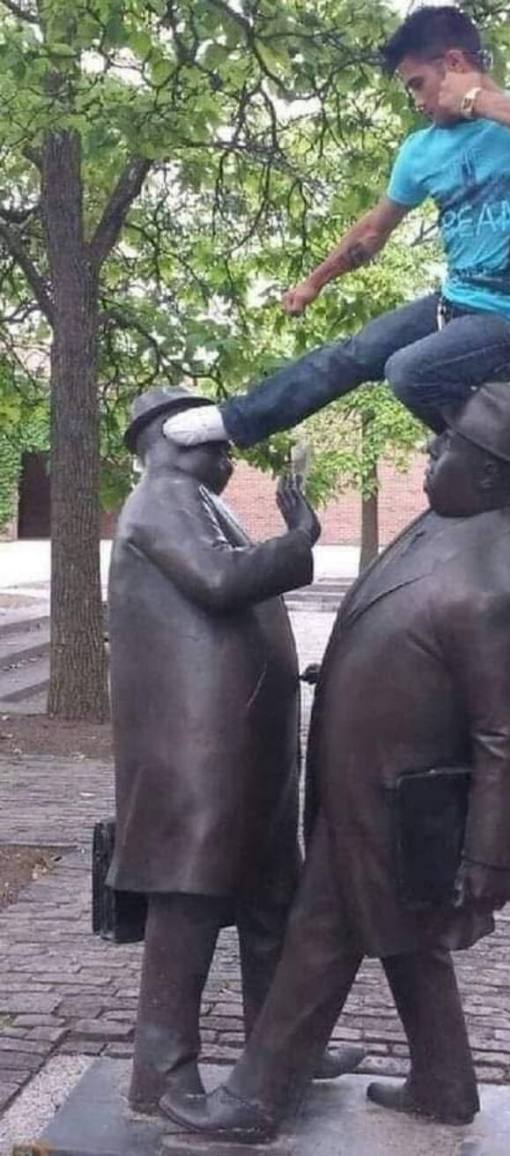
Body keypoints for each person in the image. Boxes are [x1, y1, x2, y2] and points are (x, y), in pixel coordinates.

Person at [159, 382, 510, 1143]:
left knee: (321, 937)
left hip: (394, 803)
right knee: (408, 935)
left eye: (447, 447)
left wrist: (491, 861)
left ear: (495, 476)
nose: (429, 451)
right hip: (364, 788)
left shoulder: (492, 583)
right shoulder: (449, 521)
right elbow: (405, 638)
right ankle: (445, 1082)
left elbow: (505, 734)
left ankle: (256, 1098)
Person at [162, 6, 510, 454]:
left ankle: (477, 454)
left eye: (418, 84)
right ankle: (236, 419)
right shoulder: (421, 151)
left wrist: (476, 100)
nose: (417, 102)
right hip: (455, 307)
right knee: (355, 353)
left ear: (455, 65)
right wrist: (314, 282)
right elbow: (372, 231)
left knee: (408, 371)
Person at [107, 385, 362, 1115]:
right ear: (173, 436)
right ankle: (162, 1072)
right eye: (219, 441)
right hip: (196, 756)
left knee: (270, 898)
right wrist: (299, 540)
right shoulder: (159, 501)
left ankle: (280, 1049)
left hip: (242, 745)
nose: (229, 454)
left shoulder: (201, 502)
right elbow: (219, 581)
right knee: (188, 899)